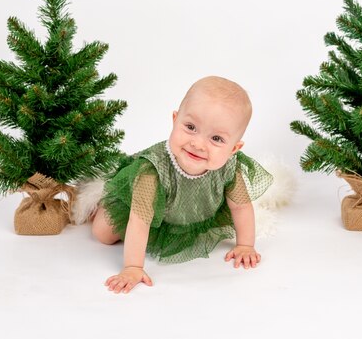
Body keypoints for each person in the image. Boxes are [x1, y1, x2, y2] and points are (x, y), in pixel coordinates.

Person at [90, 76, 273, 293]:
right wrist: (133, 267)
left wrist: (245, 245)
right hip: (139, 208)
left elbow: (241, 206)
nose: (198, 144)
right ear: (175, 120)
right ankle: (104, 201)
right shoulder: (152, 172)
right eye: (190, 127)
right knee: (103, 235)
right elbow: (139, 221)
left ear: (234, 148)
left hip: (186, 213)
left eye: (216, 139)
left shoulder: (231, 168)